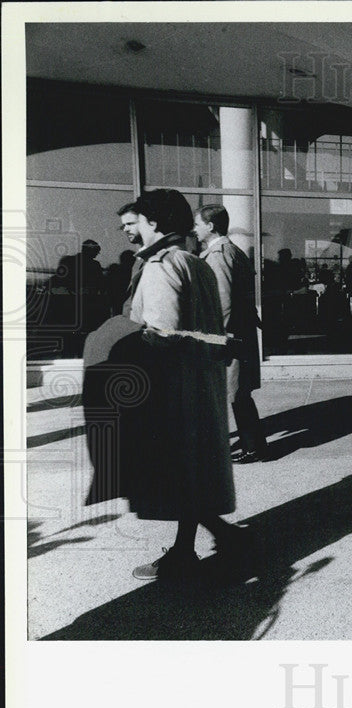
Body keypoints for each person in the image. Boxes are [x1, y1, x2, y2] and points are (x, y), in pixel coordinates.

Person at [121, 189, 244, 580]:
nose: (130, 231)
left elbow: (161, 334)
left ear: (153, 223)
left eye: (135, 222)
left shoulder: (162, 265)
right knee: (190, 470)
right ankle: (209, 540)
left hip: (171, 389)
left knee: (176, 471)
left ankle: (184, 554)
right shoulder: (195, 262)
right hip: (199, 382)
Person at [194, 204, 267, 464]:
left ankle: (253, 448)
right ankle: (254, 446)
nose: (194, 229)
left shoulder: (219, 254)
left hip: (228, 337)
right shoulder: (231, 251)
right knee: (237, 394)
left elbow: (222, 300)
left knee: (233, 394)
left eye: (197, 224)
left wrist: (217, 339)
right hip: (238, 334)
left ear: (210, 226)